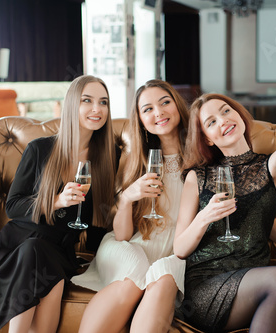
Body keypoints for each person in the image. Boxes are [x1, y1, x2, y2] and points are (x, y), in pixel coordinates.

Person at [174, 22, 276, 333]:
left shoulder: (270, 167)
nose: (222, 120)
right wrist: (204, 217)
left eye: (225, 111)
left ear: (237, 113)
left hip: (259, 285)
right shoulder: (198, 177)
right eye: (211, 121)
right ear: (207, 138)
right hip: (208, 287)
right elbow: (180, 248)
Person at [0, 75, 119, 333]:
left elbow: (100, 220)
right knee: (35, 251)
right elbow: (13, 207)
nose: (97, 109)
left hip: (59, 250)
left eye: (103, 102)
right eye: (88, 100)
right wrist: (56, 201)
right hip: (15, 249)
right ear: (73, 104)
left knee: (43, 257)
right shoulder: (39, 149)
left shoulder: (108, 158)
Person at [71, 79, 189, 333]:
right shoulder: (137, 161)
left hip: (169, 253)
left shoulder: (200, 159)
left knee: (162, 269)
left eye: (165, 102)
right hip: (126, 248)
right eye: (147, 109)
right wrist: (126, 198)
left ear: (178, 106)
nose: (158, 113)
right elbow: (123, 235)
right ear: (141, 121)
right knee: (136, 267)